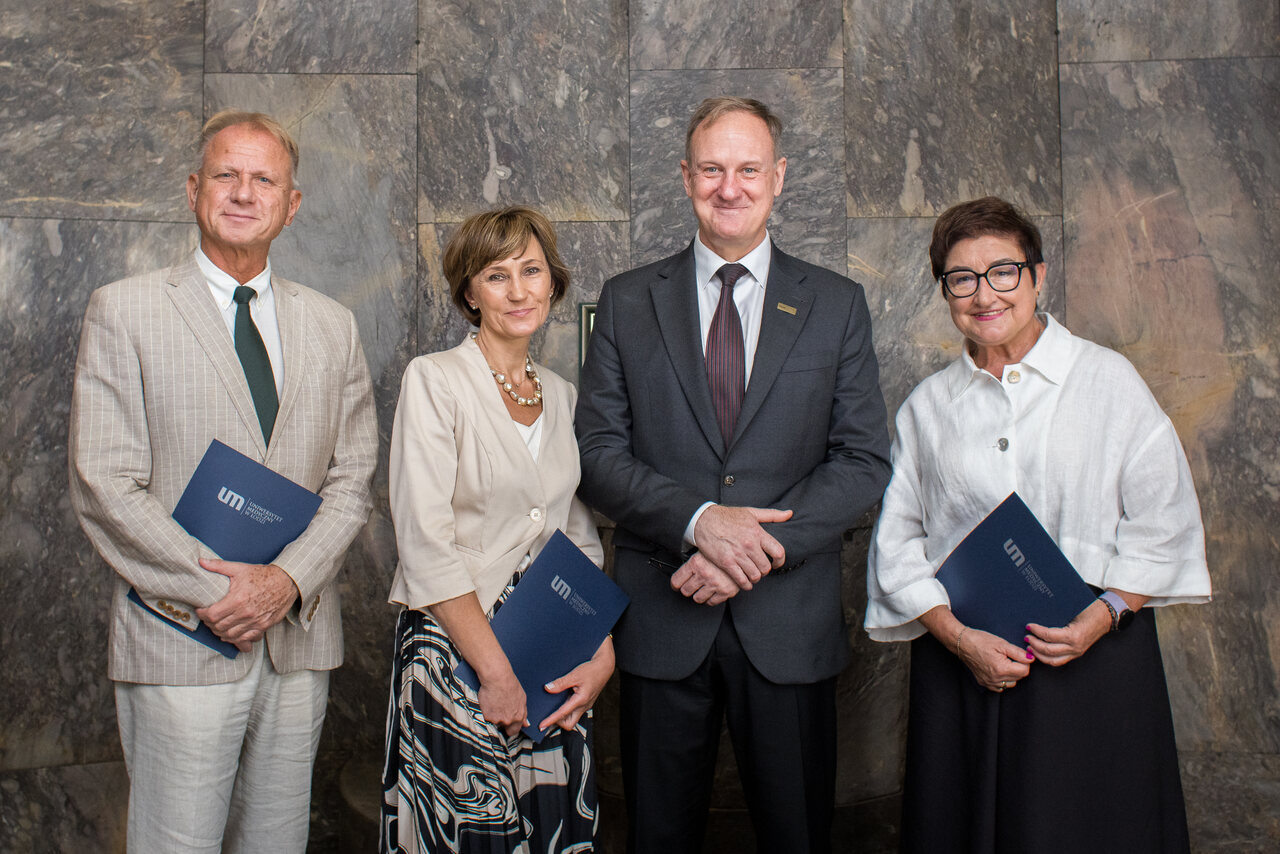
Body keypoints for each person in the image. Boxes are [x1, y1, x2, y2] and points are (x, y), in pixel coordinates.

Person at [575, 96, 892, 853]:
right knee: (657, 838)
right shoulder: (626, 301)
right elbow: (596, 452)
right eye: (712, 169)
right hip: (662, 617)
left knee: (797, 836)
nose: (730, 187)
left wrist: (750, 551)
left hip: (788, 623)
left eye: (748, 169)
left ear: (778, 177)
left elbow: (862, 460)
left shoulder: (836, 304)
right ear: (686, 177)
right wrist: (700, 523)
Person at [68, 110, 378, 852]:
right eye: (226, 175)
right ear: (193, 190)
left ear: (291, 204)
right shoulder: (125, 309)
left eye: (263, 179)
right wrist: (218, 592)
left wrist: (284, 583)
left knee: (276, 842)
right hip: (179, 632)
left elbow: (352, 480)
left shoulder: (333, 325)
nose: (243, 192)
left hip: (297, 636)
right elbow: (105, 481)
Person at [866, 195, 1212, 853]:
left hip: (1096, 652)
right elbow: (898, 544)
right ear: (944, 291)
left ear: (1038, 275)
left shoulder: (1107, 380)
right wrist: (960, 640)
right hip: (965, 661)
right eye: (961, 278)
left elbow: (1164, 519)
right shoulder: (926, 407)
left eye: (1003, 271)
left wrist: (1102, 617)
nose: (984, 294)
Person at [381, 206, 612, 853]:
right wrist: (496, 673)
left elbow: (577, 538)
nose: (518, 290)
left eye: (531, 271)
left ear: (553, 282)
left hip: (551, 647)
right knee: (471, 833)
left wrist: (599, 648)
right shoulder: (435, 380)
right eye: (497, 275)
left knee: (552, 828)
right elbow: (424, 541)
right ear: (470, 293)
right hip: (459, 651)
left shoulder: (563, 396)